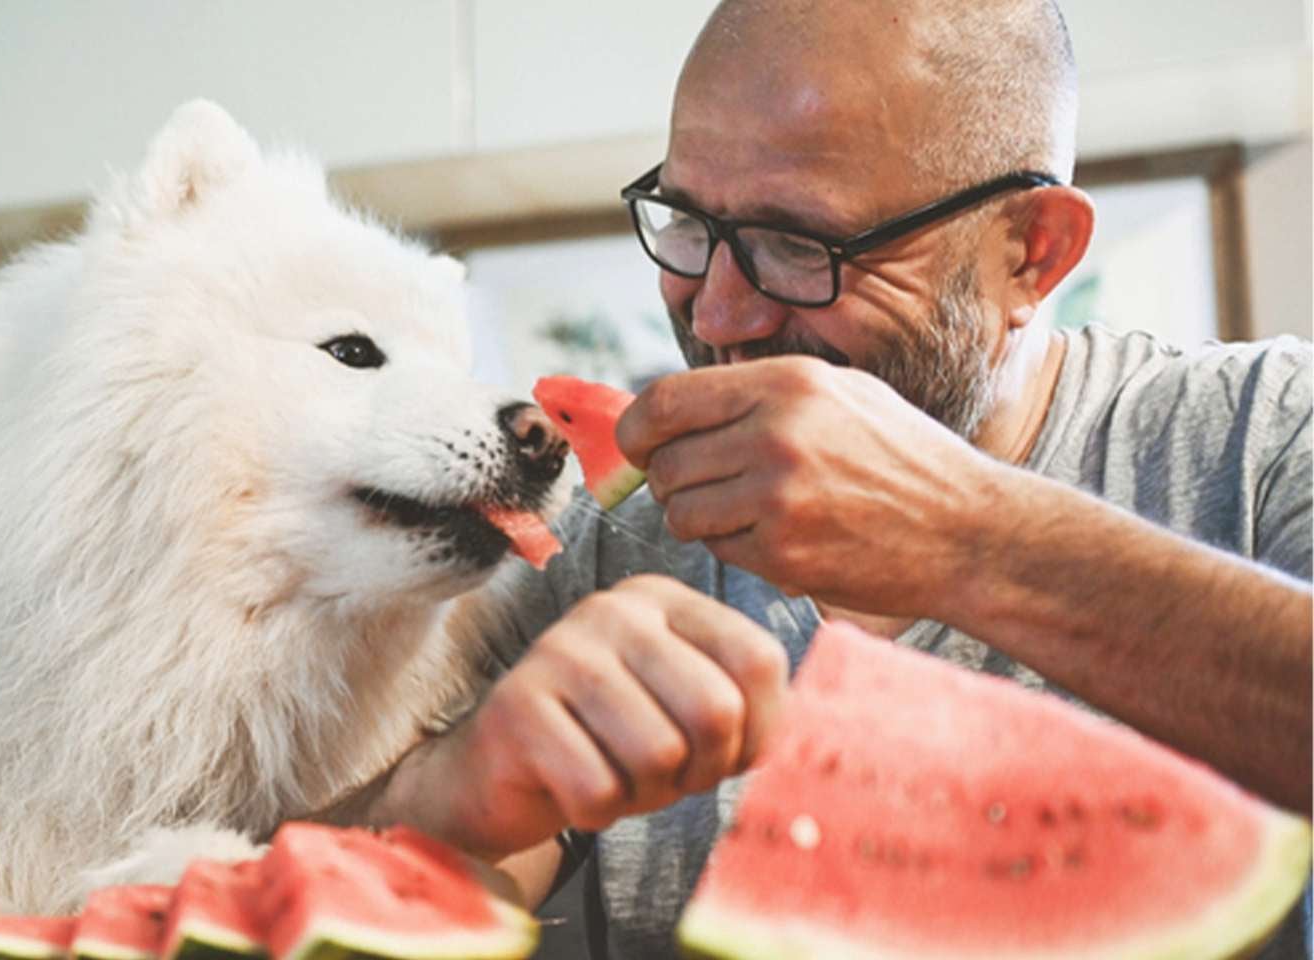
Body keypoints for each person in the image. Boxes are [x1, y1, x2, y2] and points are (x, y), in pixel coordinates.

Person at [337, 0, 1314, 956]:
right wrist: (450, 791)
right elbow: (377, 879)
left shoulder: (1264, 435)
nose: (716, 317)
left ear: (1033, 252)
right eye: (684, 221)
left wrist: (968, 540)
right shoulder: (605, 537)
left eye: (801, 244)